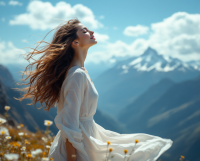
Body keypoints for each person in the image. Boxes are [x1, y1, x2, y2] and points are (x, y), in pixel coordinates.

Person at [15, 18, 173, 161]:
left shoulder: (81, 72)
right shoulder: (77, 75)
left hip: (87, 139)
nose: (91, 32)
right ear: (75, 43)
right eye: (84, 31)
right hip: (78, 147)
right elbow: (69, 126)